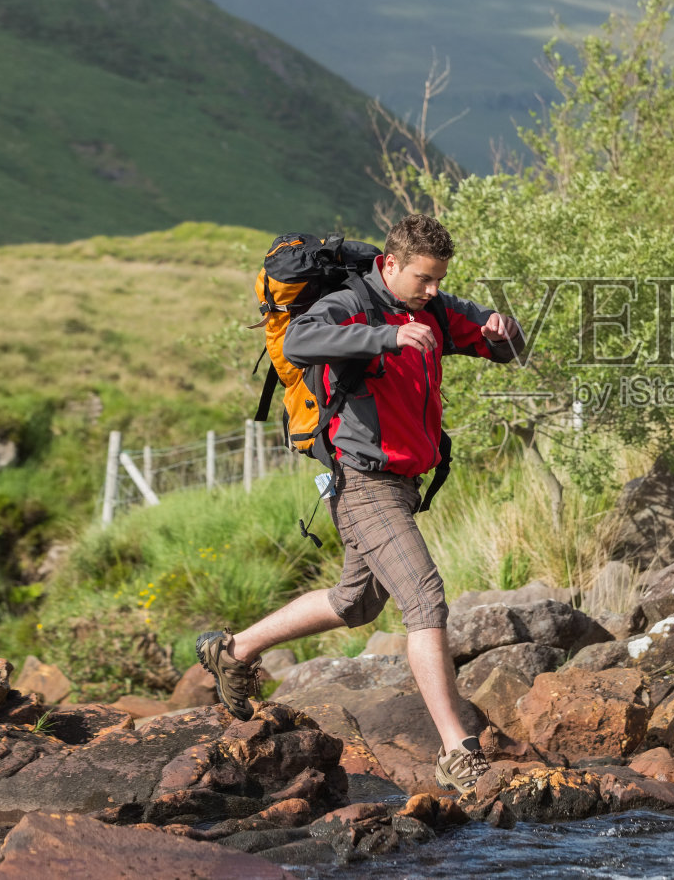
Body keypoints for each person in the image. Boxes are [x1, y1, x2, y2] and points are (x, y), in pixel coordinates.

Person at [194, 214, 524, 794]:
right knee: (423, 597)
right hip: (361, 481)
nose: (433, 290)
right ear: (390, 265)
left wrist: (504, 329)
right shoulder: (350, 304)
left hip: (403, 484)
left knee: (357, 602)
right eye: (423, 279)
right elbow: (298, 343)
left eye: (439, 280)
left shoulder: (435, 309)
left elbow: (510, 351)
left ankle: (234, 650)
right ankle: (458, 751)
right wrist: (385, 337)